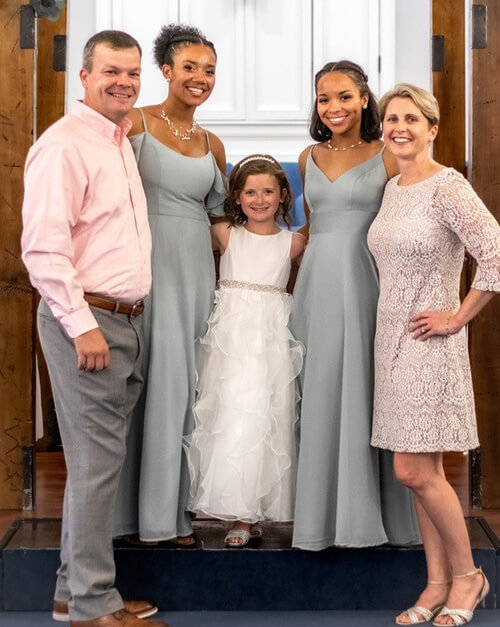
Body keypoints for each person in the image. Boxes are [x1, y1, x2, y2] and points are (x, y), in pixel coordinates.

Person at [21, 31, 167, 627]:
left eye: (133, 74)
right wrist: (83, 328)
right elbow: (43, 251)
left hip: (123, 318)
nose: (124, 83)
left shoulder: (118, 140)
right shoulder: (65, 145)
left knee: (96, 465)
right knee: (95, 466)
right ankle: (91, 605)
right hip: (87, 321)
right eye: (111, 71)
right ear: (83, 76)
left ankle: (71, 589)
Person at [368, 84, 500, 626]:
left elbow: (494, 254)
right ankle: (437, 582)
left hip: (430, 343)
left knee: (413, 470)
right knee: (421, 470)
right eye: (392, 118)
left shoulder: (449, 187)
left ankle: (468, 577)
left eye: (411, 118)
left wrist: (458, 315)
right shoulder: (394, 186)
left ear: (432, 128)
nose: (400, 126)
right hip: (389, 342)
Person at [290, 60, 420, 551]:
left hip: (366, 286)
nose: (334, 107)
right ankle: (320, 520)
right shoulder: (308, 156)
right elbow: (306, 230)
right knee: (318, 391)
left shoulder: (388, 153)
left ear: (365, 98)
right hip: (315, 287)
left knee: (365, 392)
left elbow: (411, 222)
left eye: (344, 96)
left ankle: (369, 518)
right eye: (324, 98)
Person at [114, 24, 226, 546]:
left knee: (185, 388)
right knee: (139, 386)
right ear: (165, 71)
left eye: (208, 69)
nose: (200, 77)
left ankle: (172, 513)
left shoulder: (213, 144)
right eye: (189, 67)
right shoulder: (131, 122)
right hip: (143, 271)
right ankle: (126, 517)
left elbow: (221, 222)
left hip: (197, 276)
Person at [184, 155, 306, 546]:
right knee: (229, 415)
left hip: (269, 343)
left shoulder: (295, 242)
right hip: (230, 342)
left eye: (268, 191)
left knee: (266, 417)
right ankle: (232, 506)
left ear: (283, 195)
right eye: (250, 192)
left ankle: (250, 512)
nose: (259, 199)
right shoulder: (225, 234)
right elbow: (195, 209)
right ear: (236, 198)